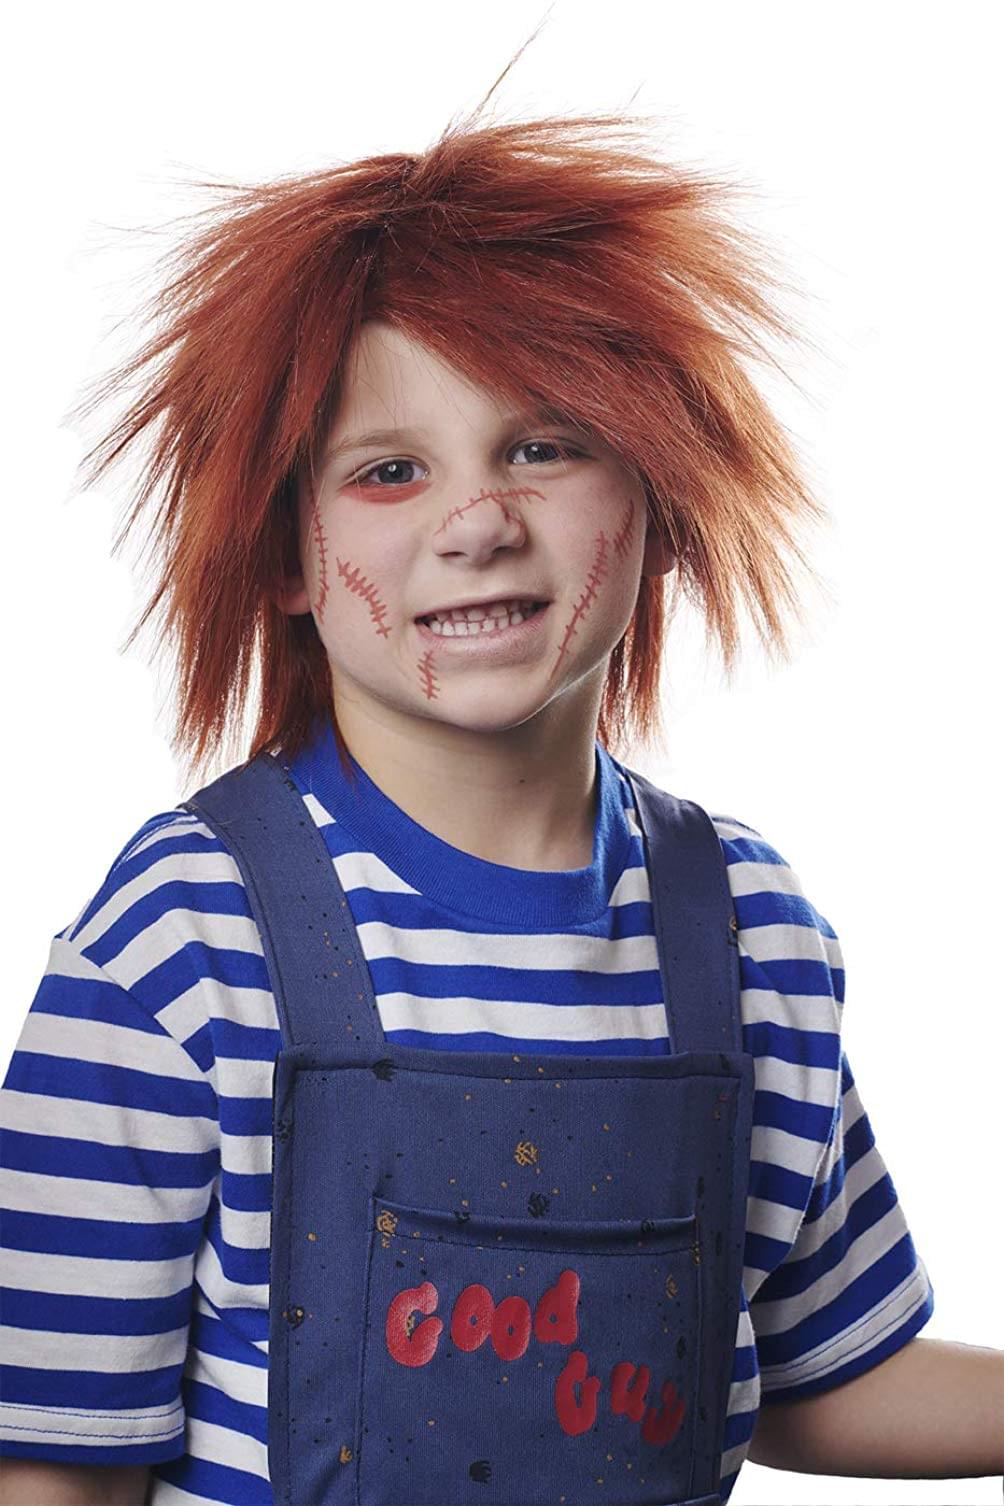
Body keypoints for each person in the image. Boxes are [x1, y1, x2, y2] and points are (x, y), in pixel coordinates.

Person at [1, 106, 1001, 1506]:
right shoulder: (188, 936)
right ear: (284, 555)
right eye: (390, 470)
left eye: (545, 446)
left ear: (663, 495)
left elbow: (826, 1374)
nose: (477, 522)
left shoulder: (753, 934)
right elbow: (56, 1464)